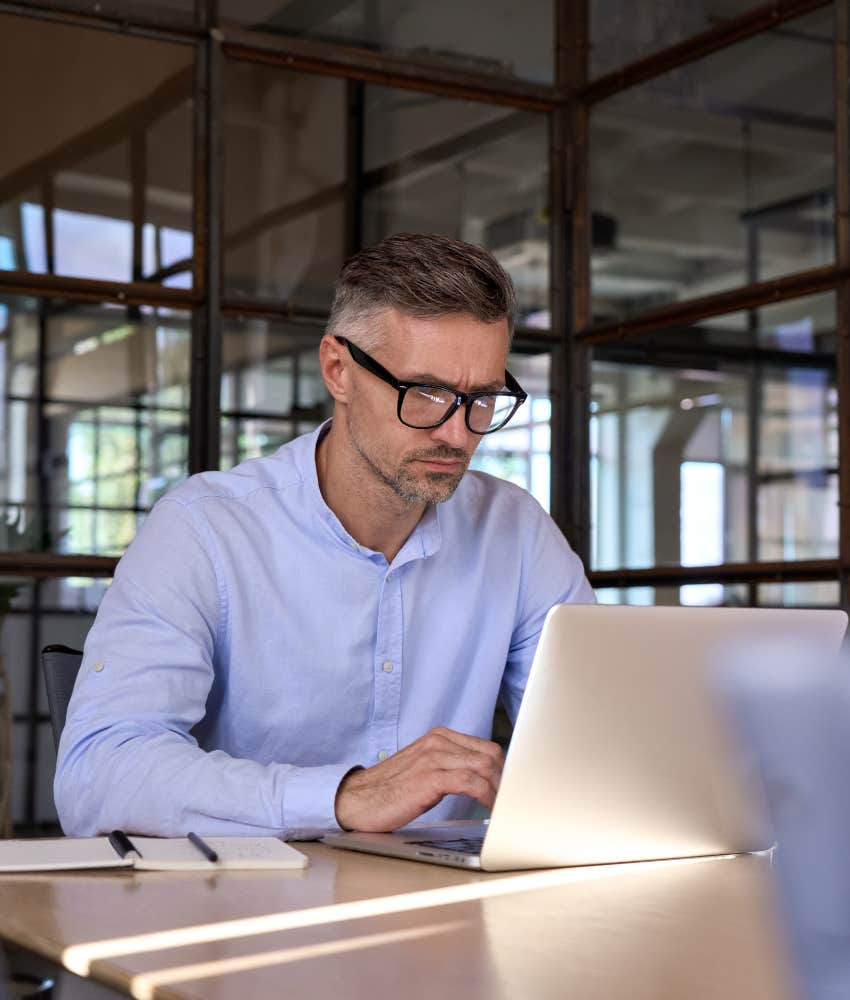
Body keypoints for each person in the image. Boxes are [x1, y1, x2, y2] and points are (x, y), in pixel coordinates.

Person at [54, 232, 594, 838]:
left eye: (481, 398)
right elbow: (96, 776)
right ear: (338, 369)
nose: (457, 434)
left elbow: (598, 744)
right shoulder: (203, 531)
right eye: (425, 392)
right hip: (239, 910)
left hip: (445, 907)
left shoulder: (515, 532)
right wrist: (341, 796)